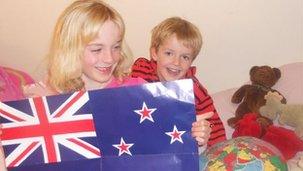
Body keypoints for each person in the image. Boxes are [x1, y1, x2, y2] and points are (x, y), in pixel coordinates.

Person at [0, 1, 209, 170]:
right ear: (72, 49)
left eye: (116, 47)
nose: (109, 58)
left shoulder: (137, 90)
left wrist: (198, 139)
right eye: (97, 49)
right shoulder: (50, 94)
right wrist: (44, 106)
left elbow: (171, 154)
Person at [131, 17, 226, 148]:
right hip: (139, 140)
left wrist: (207, 136)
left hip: (173, 147)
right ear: (154, 53)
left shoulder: (195, 90)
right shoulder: (141, 70)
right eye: (169, 53)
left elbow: (213, 124)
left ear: (191, 61)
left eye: (185, 57)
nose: (176, 62)